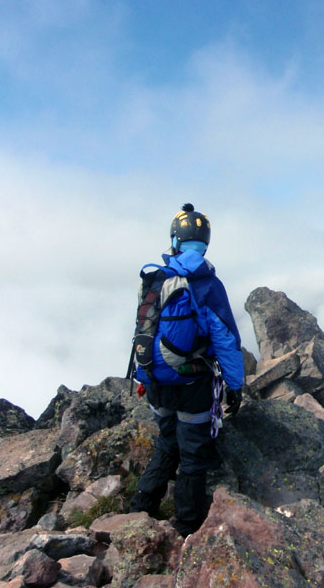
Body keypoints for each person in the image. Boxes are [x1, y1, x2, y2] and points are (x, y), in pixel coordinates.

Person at [128, 203, 244, 536]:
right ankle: (187, 527)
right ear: (205, 242)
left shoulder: (154, 277)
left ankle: (140, 509)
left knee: (167, 443)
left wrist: (143, 373)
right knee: (193, 453)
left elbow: (144, 330)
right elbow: (225, 339)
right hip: (193, 381)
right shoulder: (206, 283)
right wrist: (235, 386)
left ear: (175, 240)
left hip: (154, 378)